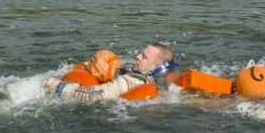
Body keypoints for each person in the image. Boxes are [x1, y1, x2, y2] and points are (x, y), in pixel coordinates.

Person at [44, 43, 178, 101]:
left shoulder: (128, 82)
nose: (137, 56)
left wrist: (53, 84)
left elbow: (90, 96)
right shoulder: (172, 83)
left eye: (144, 56)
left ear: (157, 65)